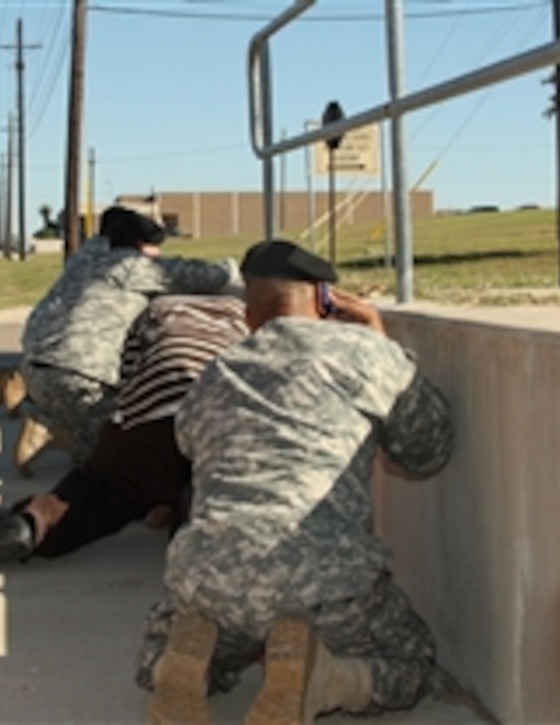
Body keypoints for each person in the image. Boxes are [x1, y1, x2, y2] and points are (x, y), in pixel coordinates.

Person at [138, 240, 456, 723]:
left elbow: (190, 448)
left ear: (248, 313)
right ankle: (326, 679)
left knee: (165, 647)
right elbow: (428, 451)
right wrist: (382, 345)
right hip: (322, 577)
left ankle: (181, 665)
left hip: (210, 573)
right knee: (410, 663)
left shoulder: (216, 374)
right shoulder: (366, 354)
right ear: (325, 298)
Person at [0, 294, 249, 568]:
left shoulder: (159, 310)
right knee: (216, 482)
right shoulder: (248, 318)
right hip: (221, 419)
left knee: (101, 487)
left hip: (154, 412)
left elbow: (128, 378)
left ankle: (34, 523)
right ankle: (190, 518)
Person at [13, 205, 241, 475]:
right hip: (82, 377)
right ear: (140, 246)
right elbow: (206, 277)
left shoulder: (81, 261)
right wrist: (231, 267)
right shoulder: (131, 267)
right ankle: (63, 441)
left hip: (34, 369)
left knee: (85, 417)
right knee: (113, 459)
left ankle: (47, 424)